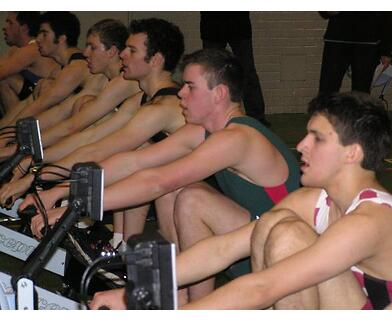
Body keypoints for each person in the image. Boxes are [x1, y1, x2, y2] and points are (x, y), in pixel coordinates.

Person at [90, 91, 392, 310]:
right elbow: (221, 249)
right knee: (274, 223)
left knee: (288, 235)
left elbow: (263, 288)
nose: (302, 145)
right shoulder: (312, 201)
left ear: (352, 153)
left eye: (317, 138)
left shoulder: (372, 219)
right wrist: (133, 290)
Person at [44, 48, 298, 303]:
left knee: (192, 198)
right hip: (251, 240)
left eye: (190, 86)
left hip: (280, 255)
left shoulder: (237, 138)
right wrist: (62, 190)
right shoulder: (206, 132)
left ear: (219, 94)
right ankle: (178, 298)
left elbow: (156, 182)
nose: (180, 93)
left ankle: (196, 308)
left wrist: (76, 208)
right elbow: (135, 162)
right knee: (175, 192)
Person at [14, 17, 186, 248]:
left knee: (138, 157)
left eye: (131, 50)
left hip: (179, 200)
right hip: (159, 190)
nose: (123, 54)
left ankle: (127, 248)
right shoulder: (142, 99)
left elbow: (103, 149)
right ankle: (120, 244)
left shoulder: (162, 107)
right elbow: (91, 137)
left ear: (155, 60)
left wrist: (42, 178)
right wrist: (31, 164)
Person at [0, 11, 107, 129]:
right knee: (43, 85)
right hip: (73, 125)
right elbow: (27, 103)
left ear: (61, 39)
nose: (38, 39)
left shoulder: (76, 67)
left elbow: (41, 106)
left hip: (92, 127)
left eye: (44, 34)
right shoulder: (59, 70)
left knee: (47, 90)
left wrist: (8, 134)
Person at [200, 12, 269, 126]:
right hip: (212, 25)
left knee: (247, 72)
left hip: (238, 25)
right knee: (211, 73)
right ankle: (211, 114)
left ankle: (257, 117)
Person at [319, 12, 392, 94]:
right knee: (327, 91)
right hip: (338, 40)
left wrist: (387, 50)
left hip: (367, 43)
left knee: (361, 93)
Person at [0, 12, 59, 114]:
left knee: (5, 79)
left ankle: (13, 127)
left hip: (49, 105)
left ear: (24, 28)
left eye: (10, 23)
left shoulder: (32, 49)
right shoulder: (16, 50)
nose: (4, 28)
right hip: (34, 98)